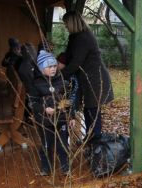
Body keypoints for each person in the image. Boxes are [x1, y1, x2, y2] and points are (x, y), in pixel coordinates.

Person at [61, 11, 113, 141]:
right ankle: (91, 140)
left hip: (95, 79)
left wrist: (60, 75)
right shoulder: (76, 37)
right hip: (88, 78)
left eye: (66, 23)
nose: (65, 26)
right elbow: (68, 56)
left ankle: (95, 142)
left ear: (72, 23)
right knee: (89, 110)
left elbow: (76, 62)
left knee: (92, 111)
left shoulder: (83, 38)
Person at [29, 50, 73, 176]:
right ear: (41, 68)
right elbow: (33, 103)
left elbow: (68, 101)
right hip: (45, 121)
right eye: (49, 66)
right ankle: (46, 168)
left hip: (61, 119)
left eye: (54, 66)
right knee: (46, 145)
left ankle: (65, 167)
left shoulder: (61, 81)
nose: (53, 69)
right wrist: (44, 109)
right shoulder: (36, 84)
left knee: (63, 144)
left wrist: (71, 116)